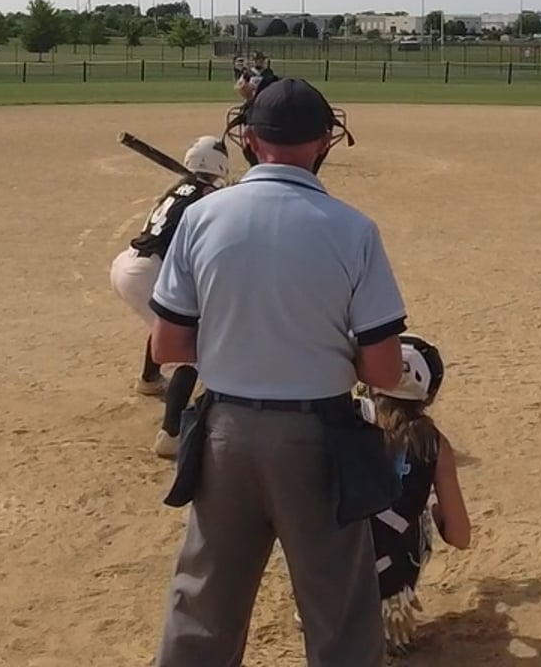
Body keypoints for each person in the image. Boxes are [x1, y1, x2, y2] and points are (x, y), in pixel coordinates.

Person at [149, 78, 404, 667]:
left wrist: (242, 345)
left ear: (249, 138)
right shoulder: (353, 228)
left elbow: (167, 345)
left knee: (204, 602)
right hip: (318, 436)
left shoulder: (202, 217)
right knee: (339, 609)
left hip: (225, 432)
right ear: (324, 141)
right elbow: (385, 368)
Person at [108, 136, 230, 456]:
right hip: (147, 272)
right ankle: (171, 434)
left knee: (167, 319)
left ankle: (149, 379)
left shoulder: (180, 189)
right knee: (192, 349)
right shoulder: (207, 194)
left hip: (127, 264)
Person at [356, 335, 471, 655]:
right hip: (385, 575)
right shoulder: (433, 443)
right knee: (413, 508)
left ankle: (313, 607)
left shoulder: (345, 418)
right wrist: (433, 509)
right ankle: (390, 606)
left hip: (324, 570)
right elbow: (461, 537)